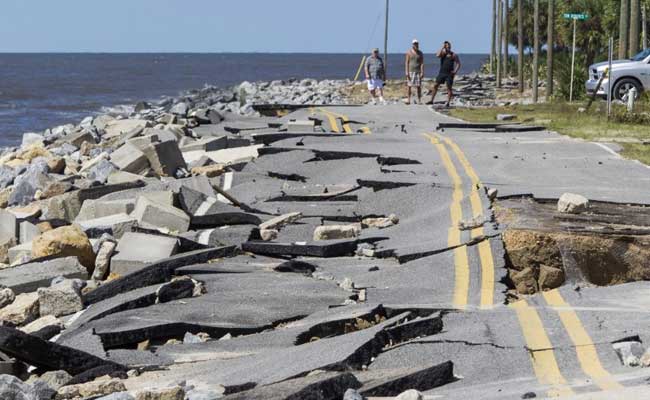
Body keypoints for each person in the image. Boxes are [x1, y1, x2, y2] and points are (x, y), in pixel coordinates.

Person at [430, 41, 461, 107]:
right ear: (445, 47)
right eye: (447, 46)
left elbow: (458, 63)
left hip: (449, 74)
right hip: (442, 72)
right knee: (435, 85)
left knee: (449, 88)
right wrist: (442, 48)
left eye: (449, 46)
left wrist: (455, 71)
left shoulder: (453, 55)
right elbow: (437, 55)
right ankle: (431, 100)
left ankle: (448, 102)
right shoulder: (443, 53)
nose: (448, 47)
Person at [405, 39, 424, 105]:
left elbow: (422, 63)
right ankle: (408, 100)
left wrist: (422, 72)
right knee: (409, 86)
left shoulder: (420, 53)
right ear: (412, 45)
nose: (416, 45)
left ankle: (419, 100)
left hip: (418, 71)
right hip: (410, 71)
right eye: (414, 44)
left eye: (417, 44)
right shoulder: (409, 52)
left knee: (418, 86)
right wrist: (406, 72)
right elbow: (407, 62)